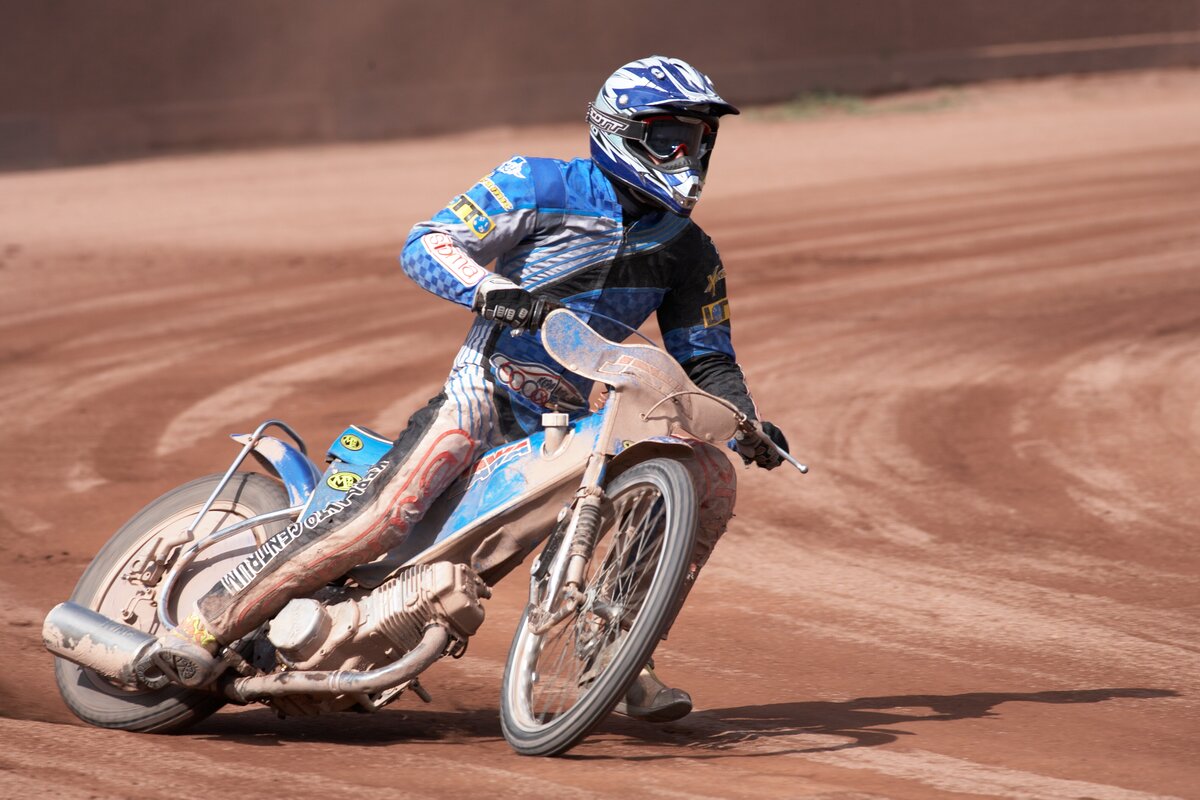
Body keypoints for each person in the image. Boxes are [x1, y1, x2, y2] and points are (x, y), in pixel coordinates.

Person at [149, 55, 790, 723]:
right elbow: (428, 242)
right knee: (383, 518)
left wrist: (745, 422)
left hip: (568, 422)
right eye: (672, 138)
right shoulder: (538, 182)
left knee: (708, 477)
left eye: (699, 140)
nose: (688, 154)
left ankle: (618, 644)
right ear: (622, 131)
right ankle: (202, 630)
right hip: (483, 393)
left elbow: (707, 358)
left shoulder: (692, 252)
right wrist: (498, 292)